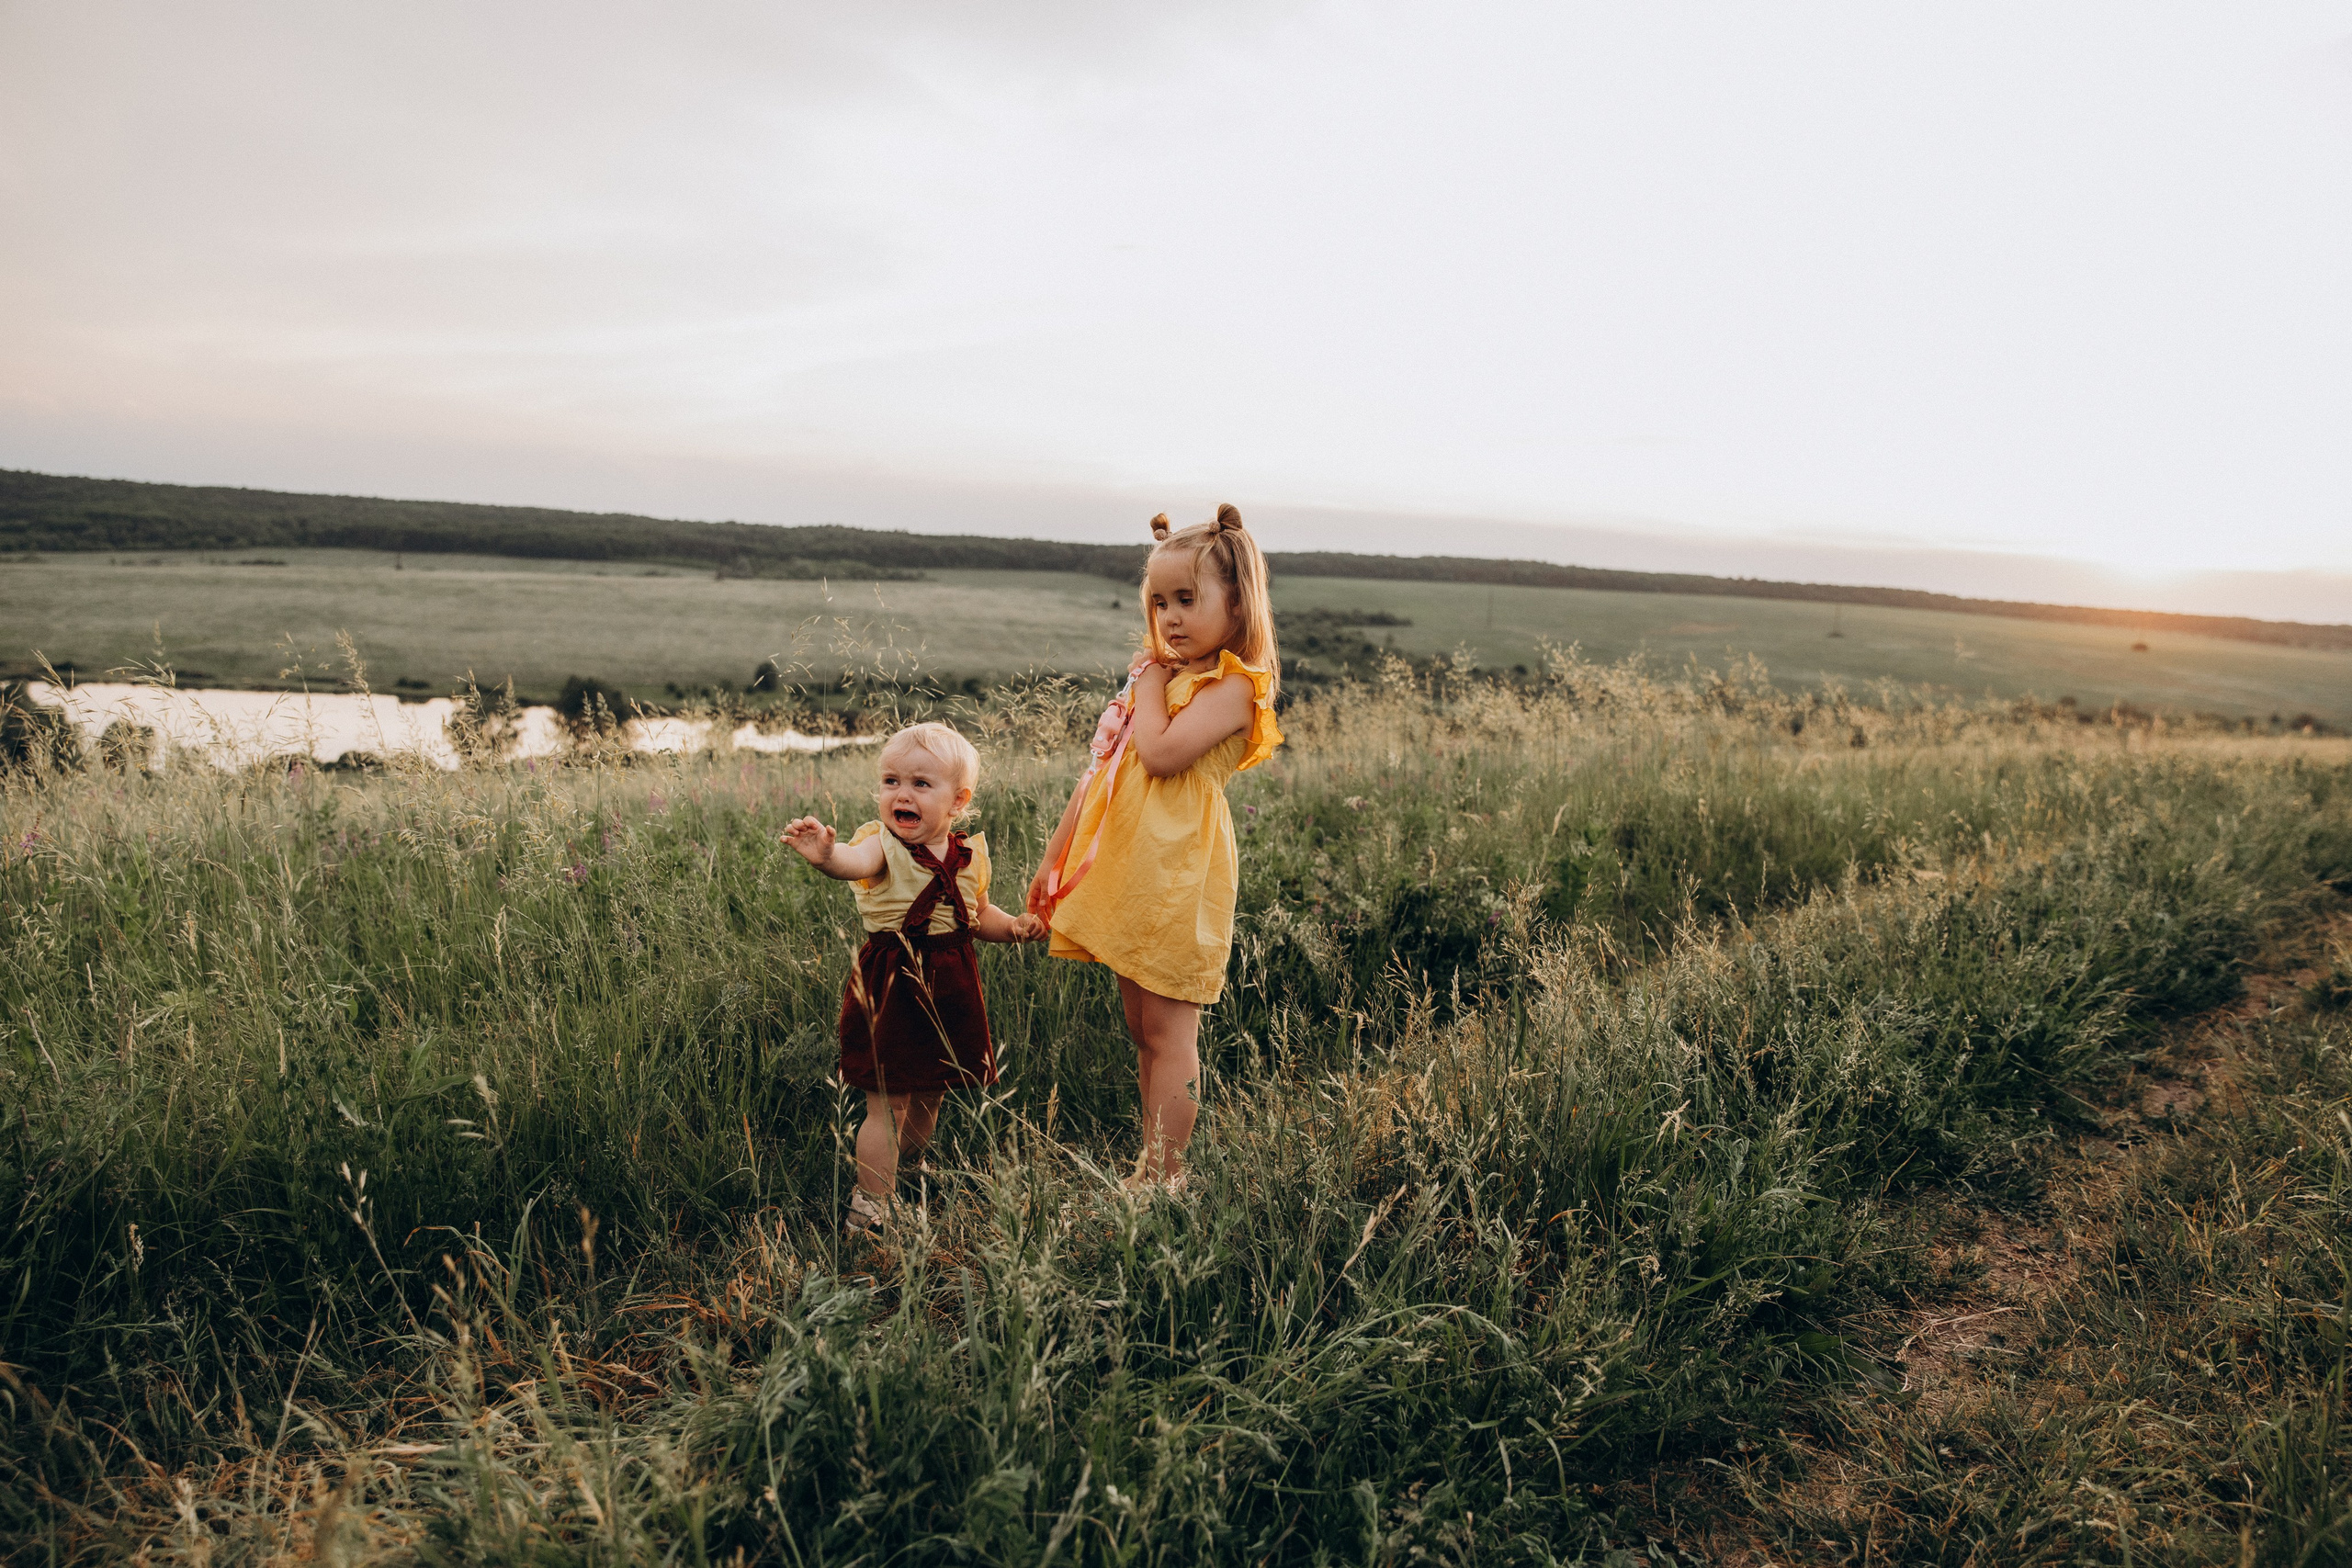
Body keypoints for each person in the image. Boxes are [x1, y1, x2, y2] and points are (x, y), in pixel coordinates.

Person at [1028, 504, 1283, 1190]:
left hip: (1177, 875)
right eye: (1160, 602)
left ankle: (1165, 1179)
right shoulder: (1165, 678)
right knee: (1143, 1031)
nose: (1169, 617)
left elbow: (1163, 753)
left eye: (1188, 599)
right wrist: (1053, 863)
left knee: (1172, 1036)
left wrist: (1146, 685)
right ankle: (1150, 1160)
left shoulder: (1233, 685)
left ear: (1238, 604)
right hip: (1129, 870)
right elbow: (1102, 775)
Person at [782, 721, 1043, 1237]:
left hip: (951, 985)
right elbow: (851, 862)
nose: (902, 793)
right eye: (891, 781)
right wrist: (828, 856)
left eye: (921, 784)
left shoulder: (968, 855)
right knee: (889, 1100)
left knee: (932, 1092)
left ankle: (909, 1175)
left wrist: (1013, 927)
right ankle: (870, 1205)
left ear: (957, 800)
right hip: (893, 984)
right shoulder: (880, 845)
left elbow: (976, 915)